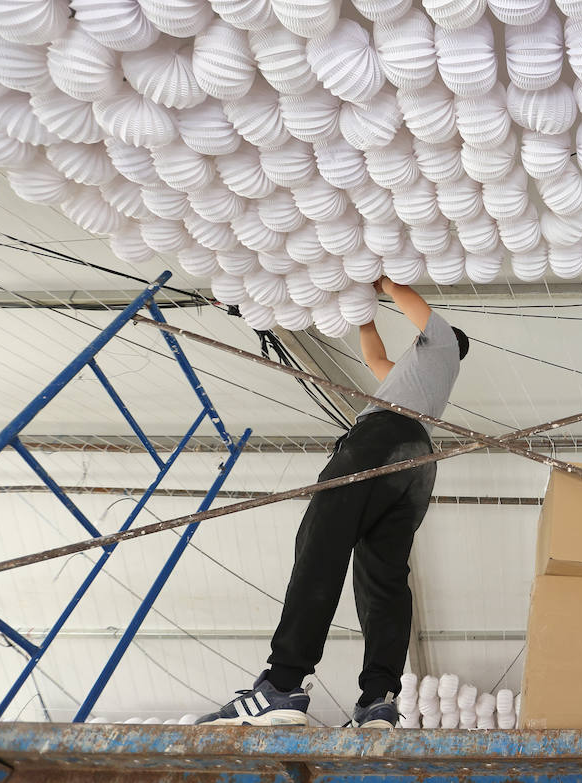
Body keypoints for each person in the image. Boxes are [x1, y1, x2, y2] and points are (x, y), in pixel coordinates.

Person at [197, 276, 468, 728]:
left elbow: (416, 307)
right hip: (416, 465)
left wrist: (382, 279)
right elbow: (376, 358)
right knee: (382, 579)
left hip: (381, 441)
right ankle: (378, 700)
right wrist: (364, 317)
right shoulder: (414, 380)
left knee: (321, 542)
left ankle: (283, 682)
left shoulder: (442, 346)